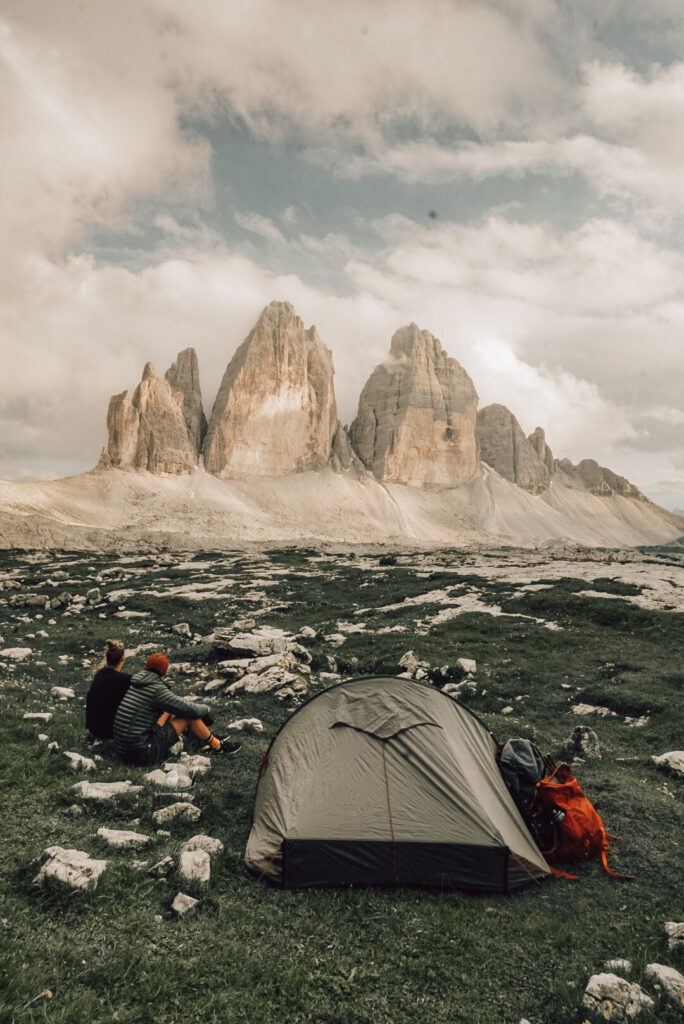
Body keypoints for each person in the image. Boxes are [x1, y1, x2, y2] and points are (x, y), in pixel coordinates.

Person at [113, 652, 240, 766]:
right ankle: (217, 746)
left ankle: (203, 737)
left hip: (123, 750)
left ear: (147, 667)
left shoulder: (137, 683)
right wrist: (206, 709)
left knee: (170, 711)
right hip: (142, 754)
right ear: (164, 671)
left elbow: (173, 704)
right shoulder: (156, 689)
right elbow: (189, 709)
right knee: (187, 716)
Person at [86, 639, 132, 740]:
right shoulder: (124, 680)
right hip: (109, 732)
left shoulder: (99, 674)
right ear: (123, 659)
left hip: (93, 730)